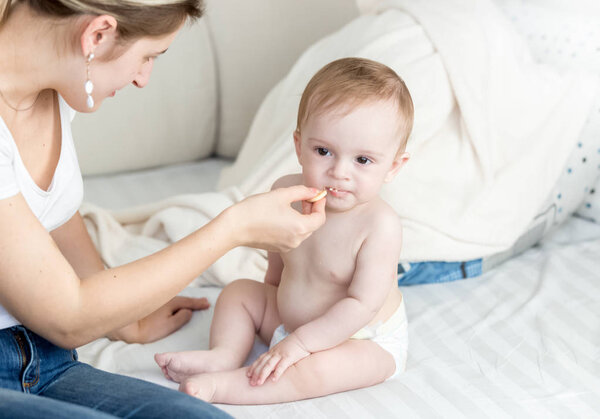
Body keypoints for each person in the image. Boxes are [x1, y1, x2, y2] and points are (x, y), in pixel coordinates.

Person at [0, 1, 326, 417]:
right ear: (96, 36)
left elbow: (56, 218)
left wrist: (125, 321)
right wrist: (233, 229)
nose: (142, 78)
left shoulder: (53, 91)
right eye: (148, 56)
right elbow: (68, 316)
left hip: (44, 361)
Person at [155, 57, 414, 404]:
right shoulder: (286, 193)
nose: (339, 171)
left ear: (394, 167)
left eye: (362, 160)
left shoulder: (379, 226)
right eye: (323, 151)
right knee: (237, 293)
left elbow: (362, 305)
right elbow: (276, 263)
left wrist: (302, 344)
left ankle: (224, 387)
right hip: (290, 323)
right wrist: (271, 307)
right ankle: (225, 354)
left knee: (316, 370)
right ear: (298, 145)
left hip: (361, 339)